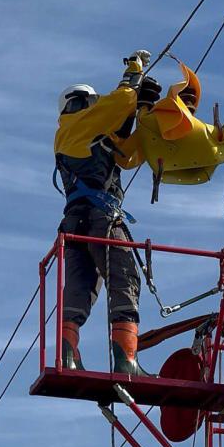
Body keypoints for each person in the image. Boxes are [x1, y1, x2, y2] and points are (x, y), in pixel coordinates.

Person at [54, 50, 161, 376]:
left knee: (79, 287)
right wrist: (134, 72)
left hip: (74, 226)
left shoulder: (77, 135)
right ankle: (126, 360)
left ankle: (67, 356)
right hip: (101, 218)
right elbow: (121, 101)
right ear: (81, 102)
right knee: (124, 277)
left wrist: (144, 112)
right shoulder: (80, 122)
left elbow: (128, 155)